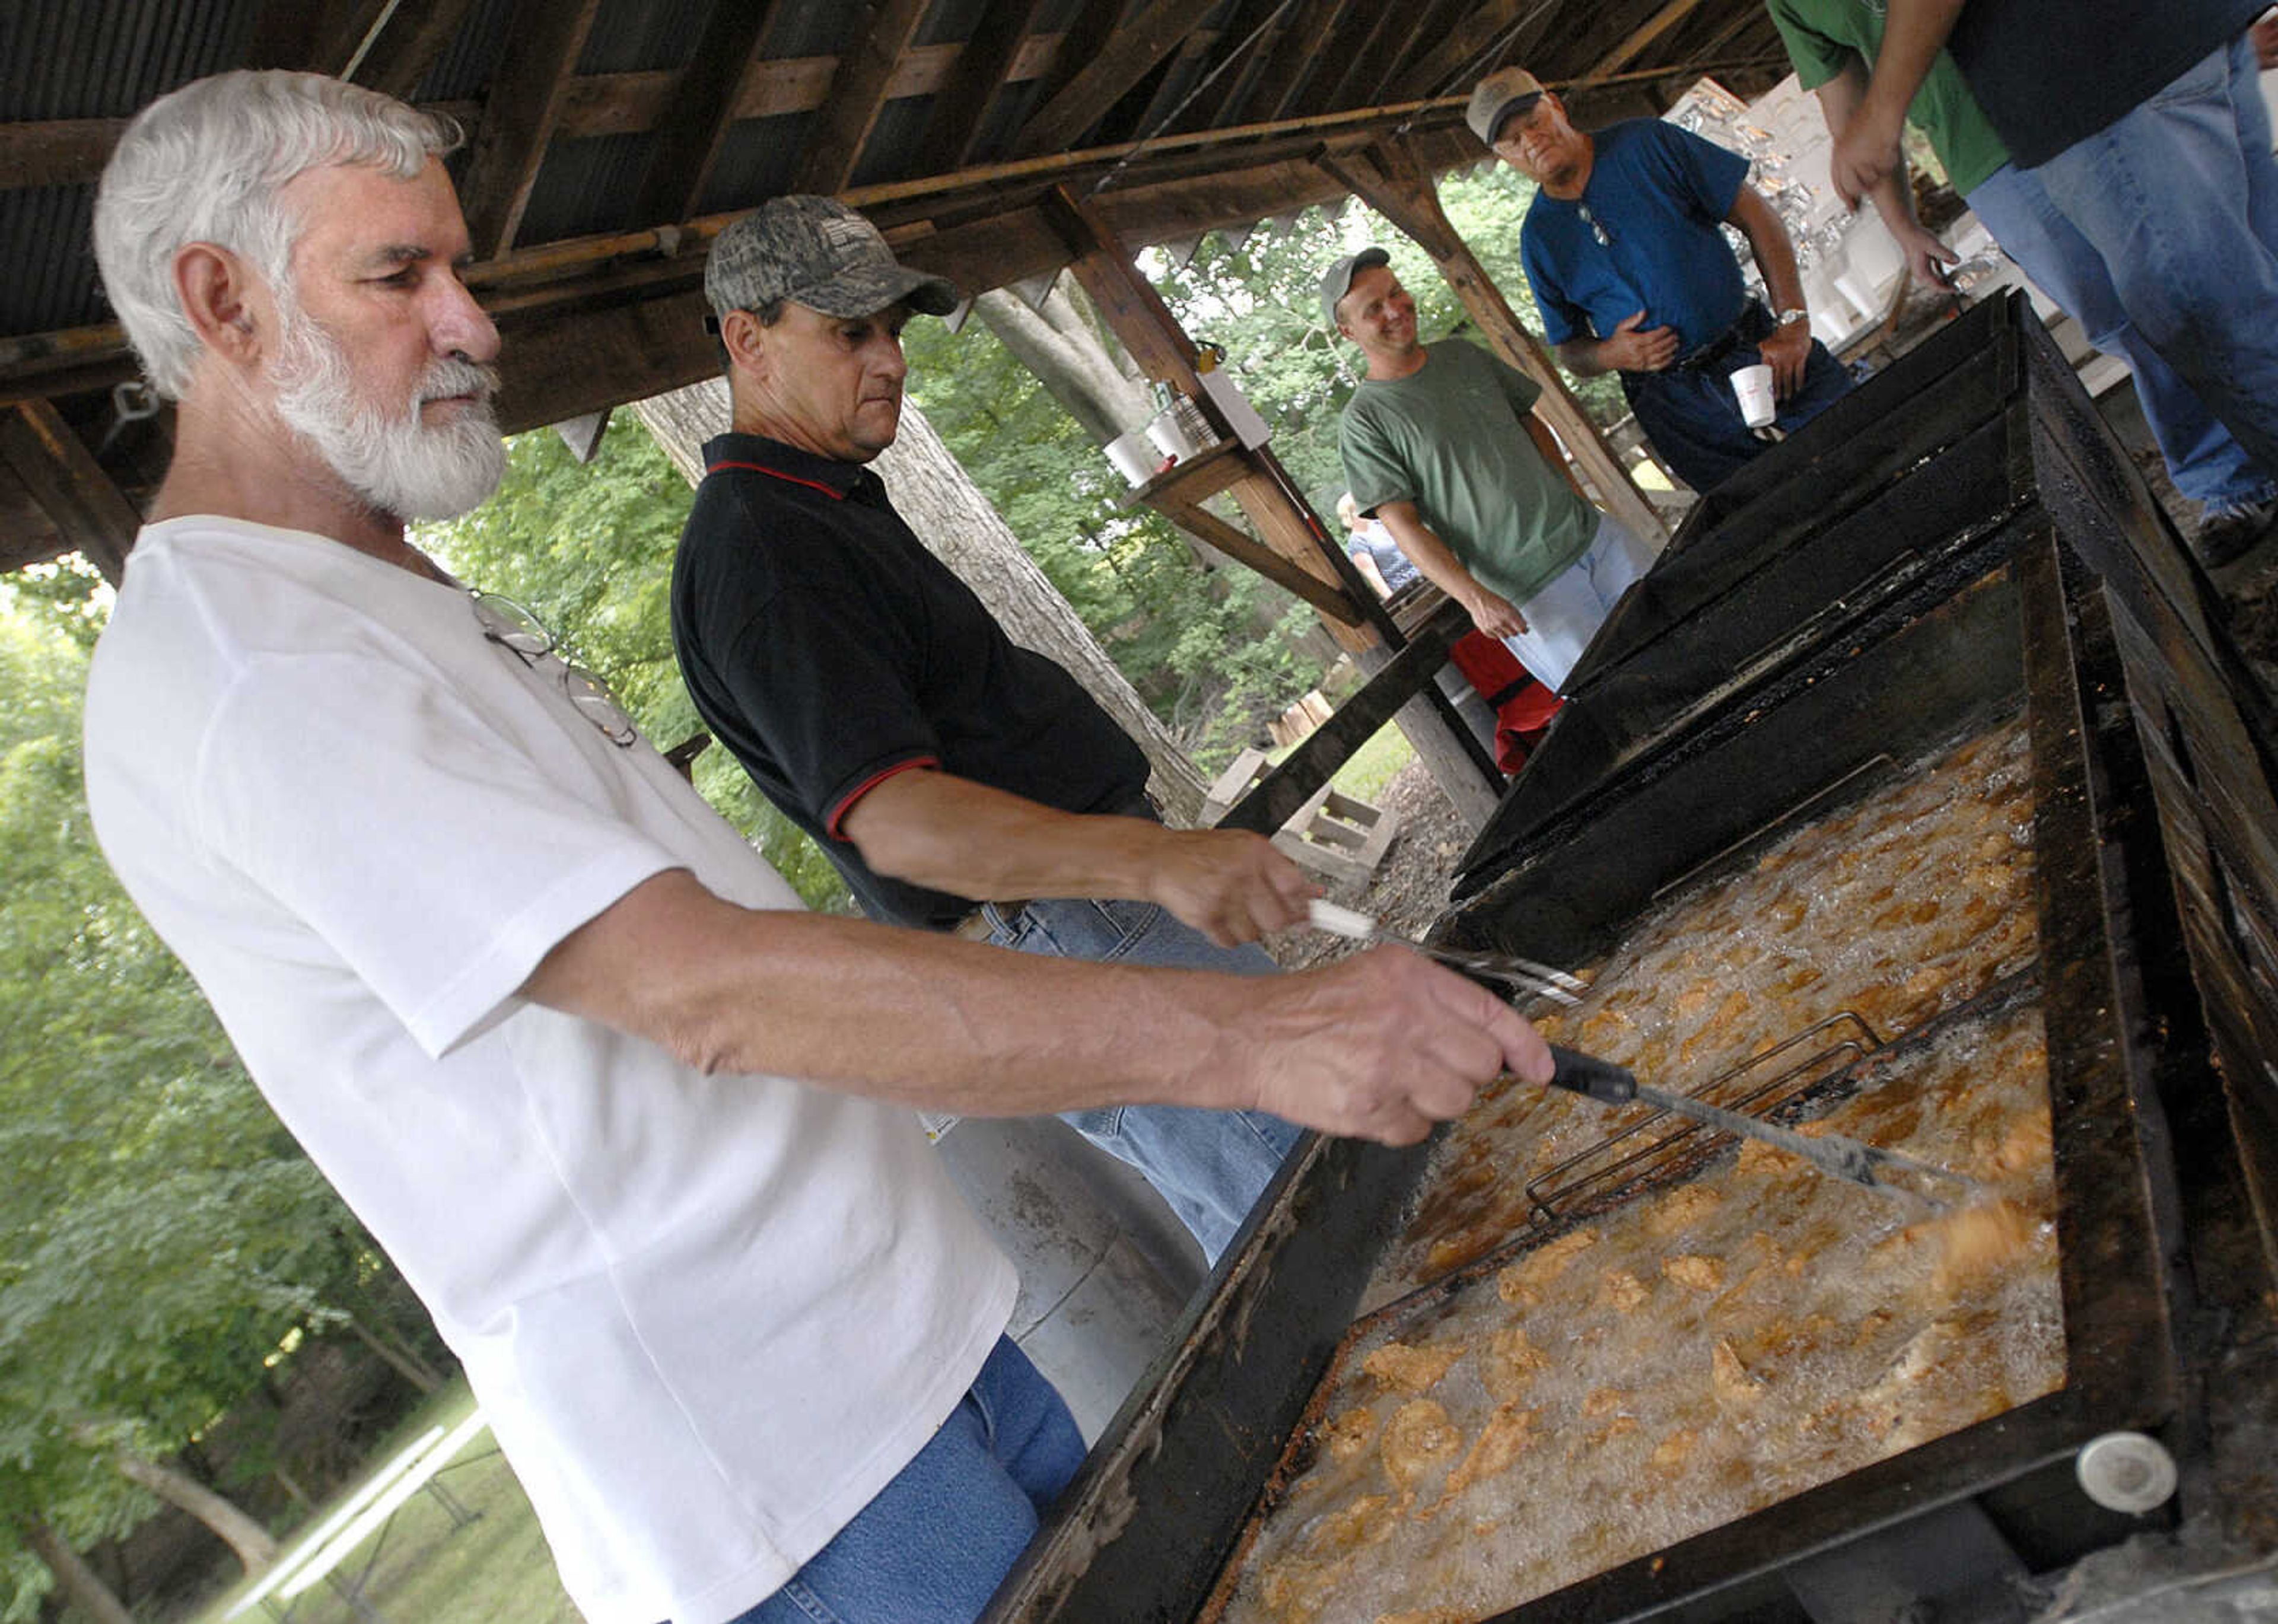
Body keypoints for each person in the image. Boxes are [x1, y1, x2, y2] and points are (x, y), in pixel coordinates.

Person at [79, 71, 1552, 1624]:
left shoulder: (387, 598)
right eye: (400, 276)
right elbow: (710, 989)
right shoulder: (257, 665)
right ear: (221, 302)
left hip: (905, 1333)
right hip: (784, 1467)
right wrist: (1260, 1027)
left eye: (461, 270)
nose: (475, 324)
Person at [670, 196, 1322, 1262]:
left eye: (893, 329)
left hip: (1084, 926)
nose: (889, 359)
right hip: (1071, 932)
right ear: (748, 338)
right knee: (1327, 1199)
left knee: (1279, 1235)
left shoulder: (817, 507)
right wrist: (1153, 861)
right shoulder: (763, 546)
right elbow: (900, 823)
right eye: (848, 331)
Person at [1773, 0, 2278, 567]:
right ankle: (2230, 478)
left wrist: (1885, 114)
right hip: (2003, 146)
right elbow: (1847, 109)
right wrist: (1903, 226)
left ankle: (2238, 469)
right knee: (2143, 319)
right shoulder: (1789, 5)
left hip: (2072, 90)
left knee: (2200, 302)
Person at [1468, 66, 1854, 492]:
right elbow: (1572, 352)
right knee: (1759, 511)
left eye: (1535, 122)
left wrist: (1793, 323)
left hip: (1754, 344)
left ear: (1556, 106)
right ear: (1503, 156)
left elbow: (1757, 216)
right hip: (1671, 400)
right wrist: (1611, 354)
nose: (1531, 141)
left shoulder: (1646, 143)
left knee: (1860, 436)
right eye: (1514, 140)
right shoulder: (1540, 239)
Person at [1323, 247, 1655, 692]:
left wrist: (1574, 493)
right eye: (1374, 309)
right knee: (1620, 694)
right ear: (1348, 331)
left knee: (1686, 631)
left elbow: (1529, 419)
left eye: (1396, 292)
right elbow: (1402, 526)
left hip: (1597, 537)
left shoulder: (1463, 356)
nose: (1396, 309)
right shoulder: (1364, 421)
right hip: (1530, 590)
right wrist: (1474, 597)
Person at [1339, 489, 1420, 596]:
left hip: (1421, 574)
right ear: (1352, 514)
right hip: (1404, 589)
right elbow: (1373, 576)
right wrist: (1394, 600)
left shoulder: (1379, 524)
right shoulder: (1357, 542)